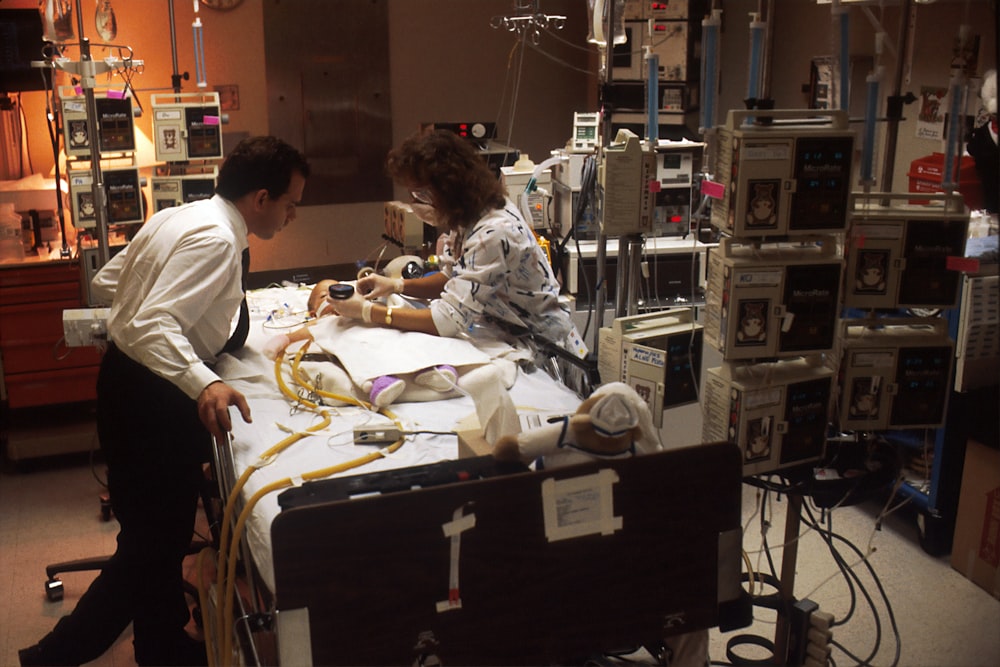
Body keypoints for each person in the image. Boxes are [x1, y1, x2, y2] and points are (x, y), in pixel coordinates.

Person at [19, 136, 310, 667]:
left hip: (127, 384)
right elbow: (153, 320)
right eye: (291, 204)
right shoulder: (219, 241)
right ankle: (52, 655)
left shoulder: (179, 216)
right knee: (154, 544)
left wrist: (161, 316)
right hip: (152, 398)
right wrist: (203, 381)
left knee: (156, 534)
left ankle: (162, 645)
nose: (292, 216)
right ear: (262, 198)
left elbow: (110, 282)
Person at [308, 129, 583, 358]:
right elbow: (455, 278)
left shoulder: (495, 232)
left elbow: (447, 320)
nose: (415, 203)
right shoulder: (467, 220)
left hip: (545, 348)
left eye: (421, 194)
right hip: (506, 332)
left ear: (451, 188)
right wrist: (396, 285)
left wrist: (369, 312)